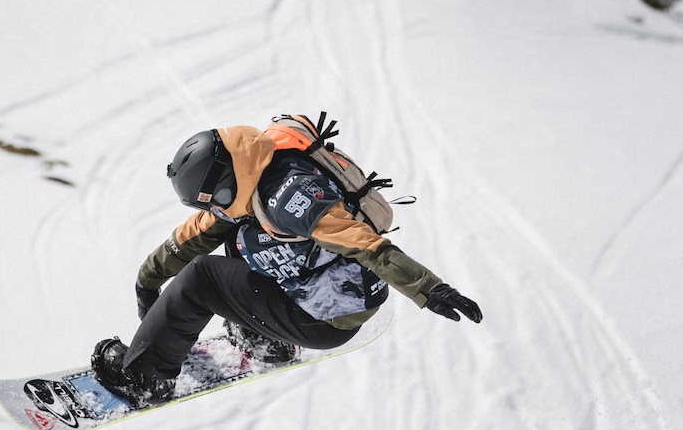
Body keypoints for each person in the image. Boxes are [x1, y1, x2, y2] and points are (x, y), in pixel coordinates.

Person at [91, 113, 482, 406]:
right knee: (236, 238)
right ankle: (265, 339)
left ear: (226, 184)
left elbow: (362, 243)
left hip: (325, 319)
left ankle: (143, 378)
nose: (216, 209)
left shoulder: (288, 198)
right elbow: (201, 231)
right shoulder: (254, 166)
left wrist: (429, 288)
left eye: (215, 201)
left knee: (202, 279)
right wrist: (148, 279)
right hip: (336, 290)